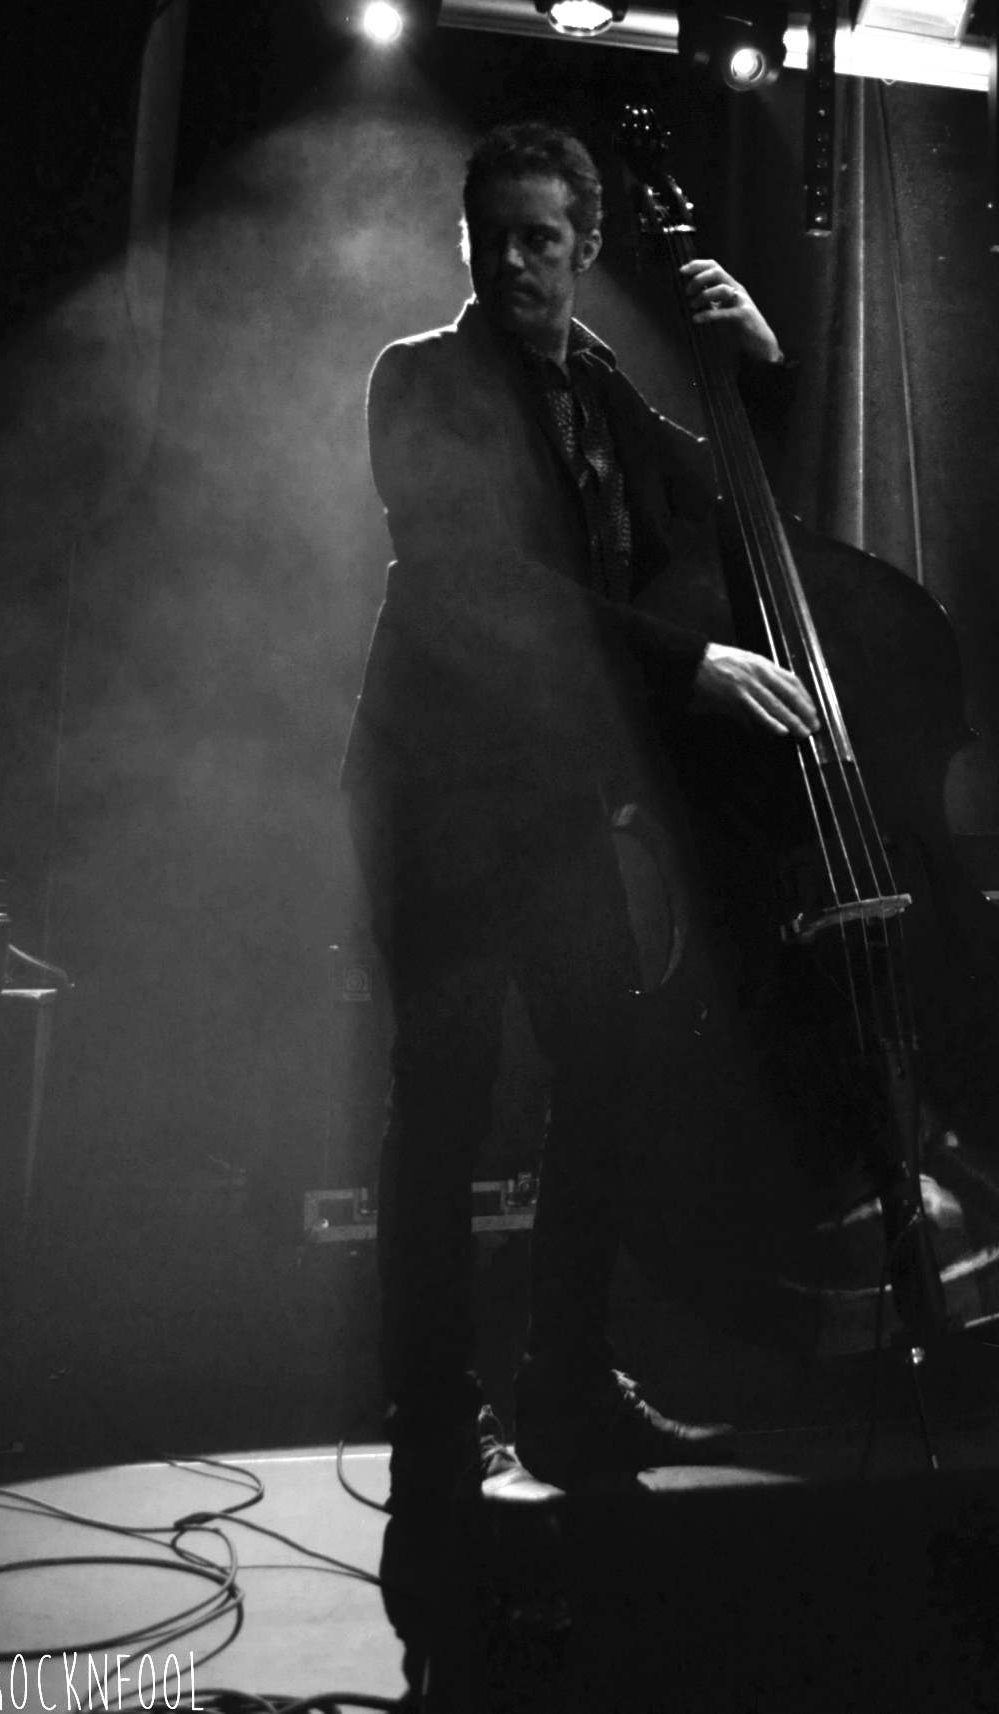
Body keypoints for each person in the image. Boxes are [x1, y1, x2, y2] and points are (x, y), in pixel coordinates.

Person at [342, 120, 817, 1526]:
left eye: (541, 238)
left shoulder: (602, 388)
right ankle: (433, 1425)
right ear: (466, 241)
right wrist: (688, 664)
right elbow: (473, 581)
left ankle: (567, 1385)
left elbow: (726, 499)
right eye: (492, 237)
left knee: (599, 1083)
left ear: (585, 247)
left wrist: (761, 363)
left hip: (554, 803)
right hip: (435, 796)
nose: (513, 262)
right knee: (443, 1102)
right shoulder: (419, 378)